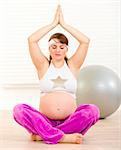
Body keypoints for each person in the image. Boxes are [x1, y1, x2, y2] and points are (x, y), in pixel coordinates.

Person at [13, 5, 100, 144]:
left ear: (66, 49)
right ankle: (63, 137)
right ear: (49, 49)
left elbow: (85, 41)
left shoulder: (73, 65)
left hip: (70, 121)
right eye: (54, 46)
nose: (57, 50)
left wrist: (63, 25)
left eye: (61, 47)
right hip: (44, 121)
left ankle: (46, 135)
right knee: (18, 110)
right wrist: (53, 24)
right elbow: (32, 40)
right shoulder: (43, 65)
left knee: (93, 111)